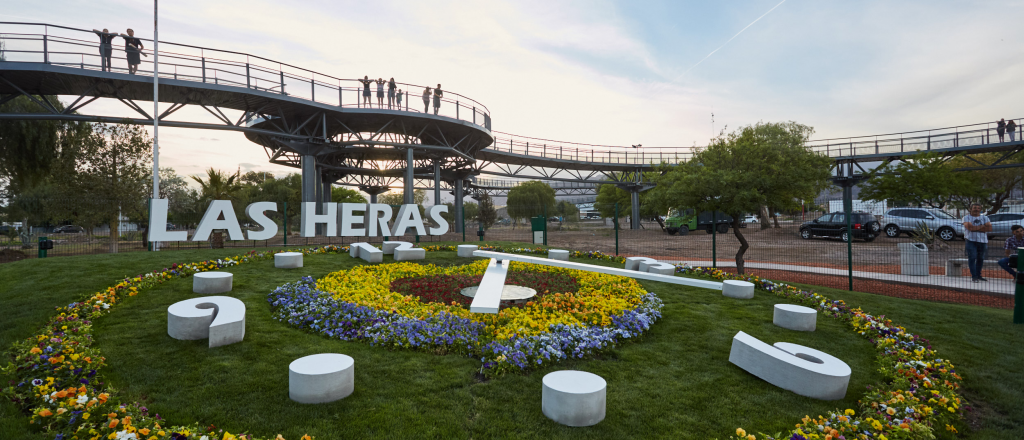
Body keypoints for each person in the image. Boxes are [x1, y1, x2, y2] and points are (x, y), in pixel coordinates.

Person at [963, 203, 993, 282]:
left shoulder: (985, 217)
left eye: (978, 208)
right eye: (975, 208)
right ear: (971, 209)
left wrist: (975, 228)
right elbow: (970, 228)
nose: (976, 209)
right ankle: (974, 276)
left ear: (980, 209)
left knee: (980, 258)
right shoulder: (966, 217)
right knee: (972, 258)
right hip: (971, 241)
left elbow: (989, 228)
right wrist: (982, 226)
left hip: (982, 241)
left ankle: (978, 275)